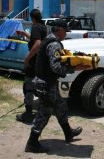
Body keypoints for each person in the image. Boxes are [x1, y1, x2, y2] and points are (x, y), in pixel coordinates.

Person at [25, 19, 88, 153]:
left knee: (60, 105)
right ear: (60, 30)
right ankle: (32, 142)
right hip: (46, 84)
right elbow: (56, 67)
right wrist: (75, 68)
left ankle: (68, 132)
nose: (66, 34)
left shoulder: (49, 39)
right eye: (65, 31)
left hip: (47, 81)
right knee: (44, 112)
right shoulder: (54, 44)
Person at [16, 9, 47, 123]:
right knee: (38, 85)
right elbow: (36, 40)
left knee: (28, 86)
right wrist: (25, 34)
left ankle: (28, 113)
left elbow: (38, 43)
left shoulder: (35, 27)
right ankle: (39, 111)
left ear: (32, 18)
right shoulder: (43, 27)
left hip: (34, 61)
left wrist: (27, 58)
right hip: (41, 62)